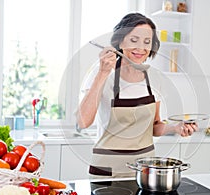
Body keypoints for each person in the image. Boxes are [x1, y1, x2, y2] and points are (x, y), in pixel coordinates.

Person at [76, 13, 198, 179]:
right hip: (107, 171)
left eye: (147, 42)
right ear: (120, 41)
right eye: (134, 40)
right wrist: (103, 73)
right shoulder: (102, 73)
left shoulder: (155, 78)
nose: (141, 48)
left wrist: (175, 128)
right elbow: (83, 122)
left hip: (144, 171)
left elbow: (154, 125)